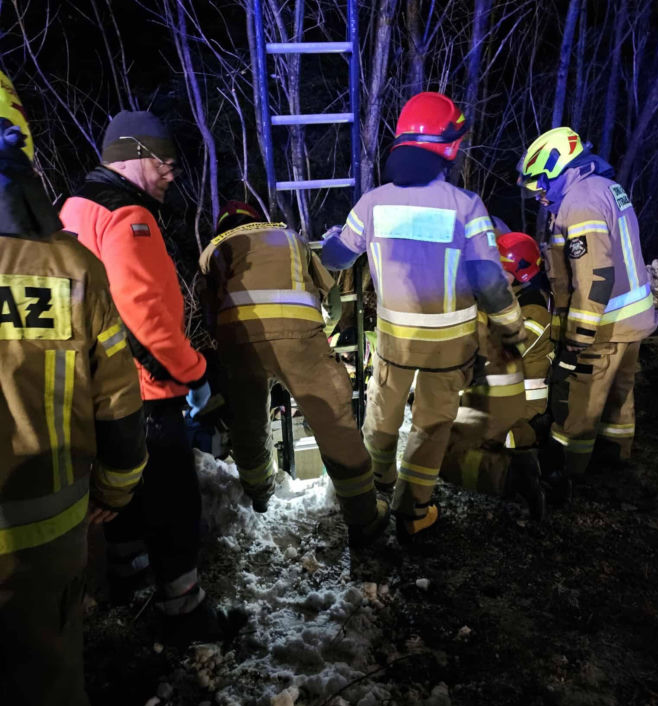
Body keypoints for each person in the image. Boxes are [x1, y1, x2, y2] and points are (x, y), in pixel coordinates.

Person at [0, 73, 146, 706]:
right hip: (42, 536)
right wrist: (117, 489)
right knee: (46, 689)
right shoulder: (71, 268)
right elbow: (117, 402)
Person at [322, 91, 526, 541]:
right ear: (449, 148)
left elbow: (335, 259)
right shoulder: (466, 205)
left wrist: (334, 236)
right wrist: (511, 323)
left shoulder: (373, 203)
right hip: (450, 350)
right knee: (431, 427)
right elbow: (490, 280)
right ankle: (414, 511)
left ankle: (376, 488)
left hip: (395, 344)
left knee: (382, 416)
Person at [59, 110, 219, 641]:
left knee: (122, 492)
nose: (172, 174)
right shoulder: (130, 216)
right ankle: (185, 613)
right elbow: (144, 314)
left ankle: (128, 577)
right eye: (165, 163)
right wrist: (193, 373)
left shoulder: (76, 206)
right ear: (134, 157)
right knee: (174, 499)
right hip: (145, 388)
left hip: (97, 384)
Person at [198, 200, 389, 547]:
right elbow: (331, 297)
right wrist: (320, 334)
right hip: (301, 337)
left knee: (248, 423)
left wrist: (228, 344)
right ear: (257, 219)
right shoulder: (290, 237)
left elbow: (210, 314)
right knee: (334, 423)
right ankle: (364, 516)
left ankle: (259, 497)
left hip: (240, 341)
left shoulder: (213, 250)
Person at [516, 126, 658, 492]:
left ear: (559, 169)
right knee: (618, 397)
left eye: (540, 186)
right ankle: (615, 459)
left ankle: (567, 470)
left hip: (603, 325)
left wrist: (577, 338)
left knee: (580, 400)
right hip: (632, 320)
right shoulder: (604, 188)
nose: (538, 196)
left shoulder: (579, 204)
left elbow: (595, 276)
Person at [440, 232, 553, 518]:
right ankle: (528, 465)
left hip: (522, 403)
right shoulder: (506, 300)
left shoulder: (534, 309)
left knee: (449, 457)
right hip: (500, 393)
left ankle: (519, 475)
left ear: (520, 271)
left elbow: (503, 351)